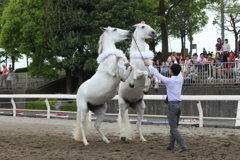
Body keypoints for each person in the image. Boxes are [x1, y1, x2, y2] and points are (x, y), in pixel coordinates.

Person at [143, 58, 187, 153]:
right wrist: (175, 61)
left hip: (172, 106)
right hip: (179, 105)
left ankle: (183, 146)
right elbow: (179, 70)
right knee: (173, 126)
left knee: (174, 128)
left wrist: (148, 65)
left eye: (170, 69)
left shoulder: (169, 81)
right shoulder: (180, 78)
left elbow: (157, 74)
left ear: (171, 71)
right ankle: (171, 145)